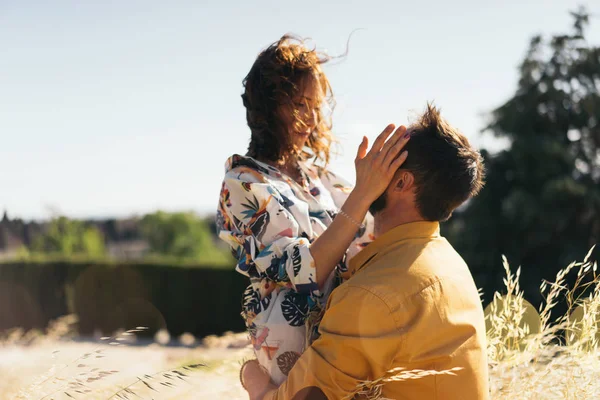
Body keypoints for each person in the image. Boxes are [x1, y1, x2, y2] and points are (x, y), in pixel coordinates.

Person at [241, 103, 490, 400]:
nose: (367, 165)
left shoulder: (374, 294)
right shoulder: (451, 264)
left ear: (401, 181)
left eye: (383, 158)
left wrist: (256, 384)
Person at [216, 35, 410, 385]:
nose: (311, 117)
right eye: (299, 104)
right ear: (269, 105)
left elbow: (373, 242)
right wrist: (363, 193)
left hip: (344, 344)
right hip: (294, 362)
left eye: (315, 106)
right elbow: (307, 270)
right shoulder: (243, 182)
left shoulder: (322, 179)